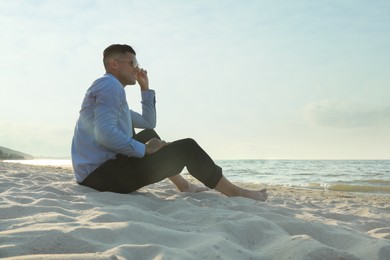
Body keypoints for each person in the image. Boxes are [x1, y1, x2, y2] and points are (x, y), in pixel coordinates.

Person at [71, 44, 268, 201]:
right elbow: (104, 134)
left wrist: (145, 89)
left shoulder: (111, 92)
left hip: (96, 174)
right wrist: (144, 150)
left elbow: (148, 123)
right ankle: (234, 192)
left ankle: (184, 185)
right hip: (102, 176)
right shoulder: (110, 85)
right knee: (188, 148)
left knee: (148, 135)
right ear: (114, 64)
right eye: (132, 62)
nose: (137, 68)